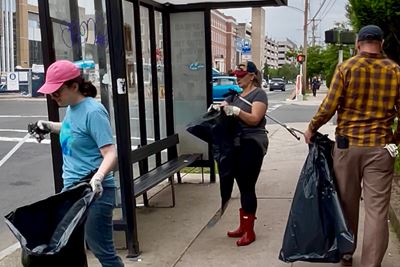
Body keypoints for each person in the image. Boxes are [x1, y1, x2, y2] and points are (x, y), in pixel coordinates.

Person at [304, 25, 400, 267]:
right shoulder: (395, 70)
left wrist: (312, 127)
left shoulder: (346, 67)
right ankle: (371, 264)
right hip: (381, 148)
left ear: (358, 43)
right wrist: (395, 138)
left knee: (347, 202)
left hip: (348, 147)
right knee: (377, 210)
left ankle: (346, 252)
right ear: (382, 43)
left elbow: (330, 105)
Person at [30, 60, 124, 267]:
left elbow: (110, 153)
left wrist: (98, 178)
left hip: (95, 192)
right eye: (51, 93)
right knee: (70, 247)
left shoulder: (93, 111)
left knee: (101, 248)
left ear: (74, 86)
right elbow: (72, 128)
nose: (53, 97)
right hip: (73, 191)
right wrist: (47, 126)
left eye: (57, 92)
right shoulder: (73, 108)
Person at [213, 61, 268, 246]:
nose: (237, 77)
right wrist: (218, 110)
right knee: (240, 183)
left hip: (252, 143)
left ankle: (249, 231)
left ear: (252, 75)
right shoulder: (236, 95)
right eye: (236, 74)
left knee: (247, 185)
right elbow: (224, 110)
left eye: (241, 74)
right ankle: (243, 226)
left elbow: (254, 119)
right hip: (236, 144)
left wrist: (236, 111)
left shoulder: (258, 94)